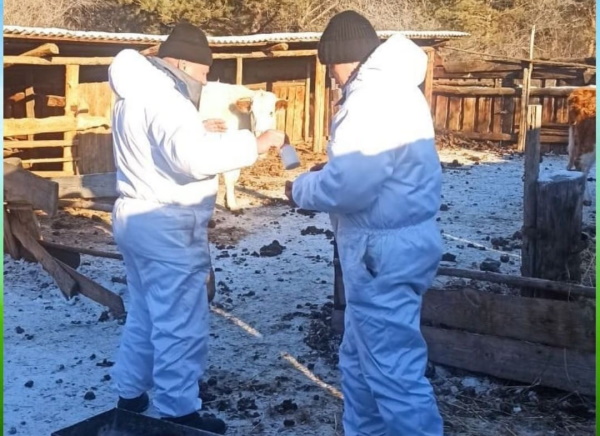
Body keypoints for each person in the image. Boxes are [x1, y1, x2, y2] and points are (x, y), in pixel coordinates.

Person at [108, 22, 286, 433]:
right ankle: (179, 412)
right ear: (183, 63)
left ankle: (130, 394)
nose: (205, 80)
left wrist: (199, 132)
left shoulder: (134, 94)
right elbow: (193, 161)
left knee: (145, 313)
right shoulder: (165, 98)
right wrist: (257, 144)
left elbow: (162, 150)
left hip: (136, 216)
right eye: (204, 72)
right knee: (180, 323)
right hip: (167, 224)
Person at [285, 10, 444, 436]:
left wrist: (301, 188)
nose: (331, 77)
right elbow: (371, 171)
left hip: (380, 254)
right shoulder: (397, 90)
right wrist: (331, 173)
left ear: (343, 58)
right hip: (393, 244)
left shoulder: (369, 99)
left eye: (330, 66)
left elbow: (349, 188)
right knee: (358, 361)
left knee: (393, 373)